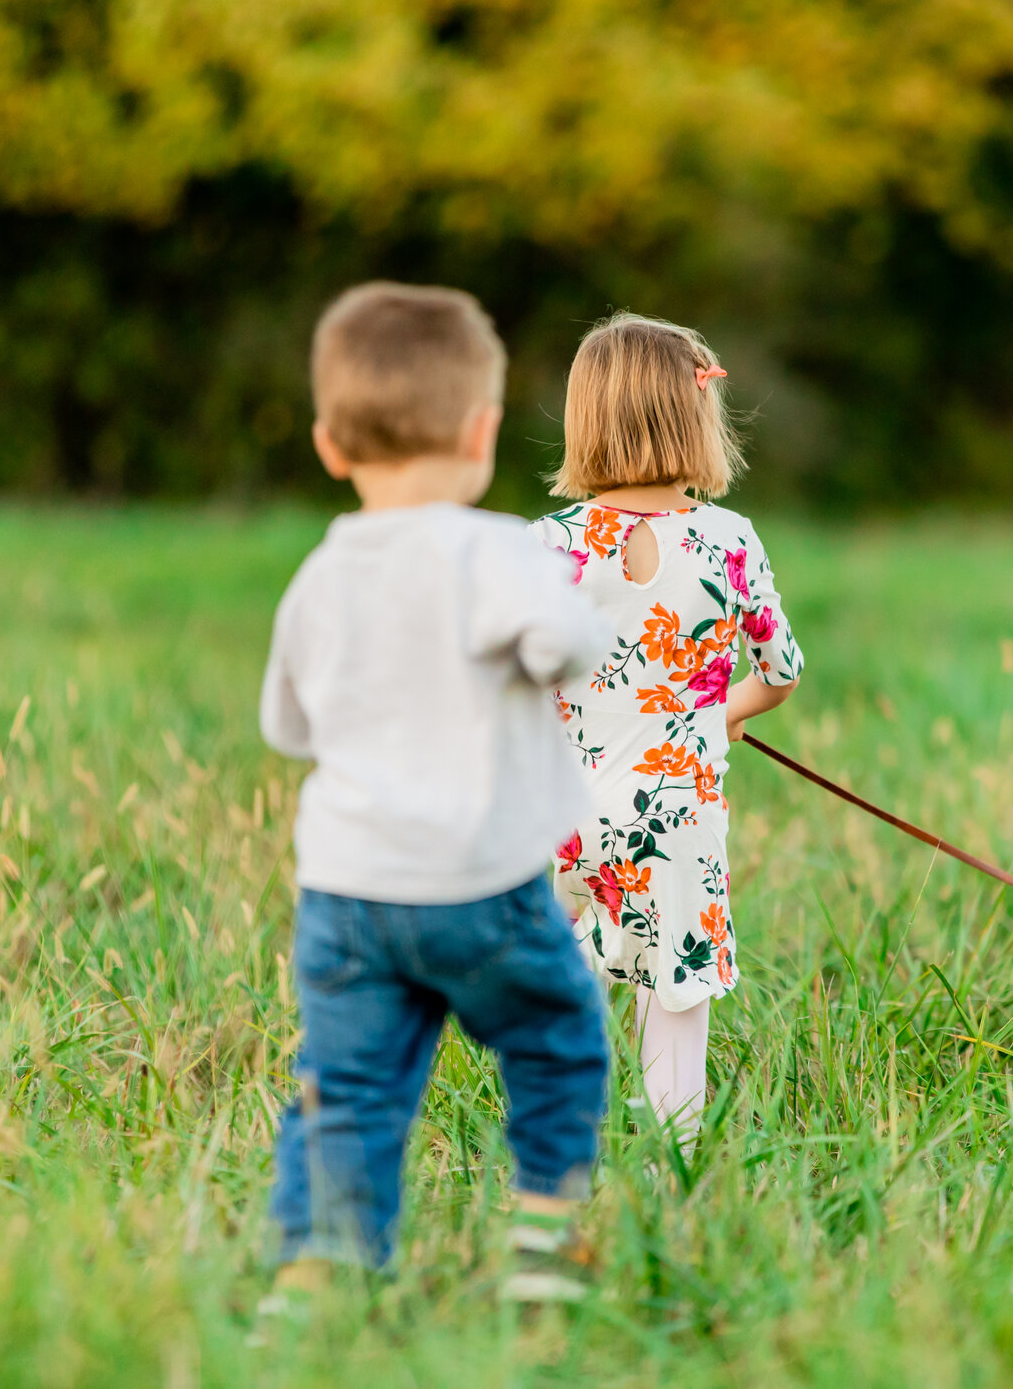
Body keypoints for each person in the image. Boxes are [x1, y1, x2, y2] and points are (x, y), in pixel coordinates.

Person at [259, 282, 612, 1303]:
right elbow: (567, 643)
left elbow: (286, 725)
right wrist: (559, 631)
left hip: (348, 889)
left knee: (350, 1087)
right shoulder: (493, 548)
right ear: (483, 430)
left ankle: (319, 1270)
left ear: (329, 443)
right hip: (481, 882)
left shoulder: (320, 571)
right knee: (556, 1041)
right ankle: (544, 1246)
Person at [534, 314, 805, 1149]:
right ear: (696, 417)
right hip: (681, 815)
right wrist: (701, 719)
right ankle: (673, 1164)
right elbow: (781, 670)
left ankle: (557, 1146)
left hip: (568, 812)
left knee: (558, 985)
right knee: (675, 994)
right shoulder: (729, 542)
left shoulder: (551, 545)